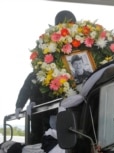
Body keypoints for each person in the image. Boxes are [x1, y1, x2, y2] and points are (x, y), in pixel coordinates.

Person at [15, 10, 77, 144]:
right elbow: (30, 81)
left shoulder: (78, 41)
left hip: (68, 104)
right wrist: (20, 104)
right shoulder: (49, 43)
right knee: (39, 138)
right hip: (42, 105)